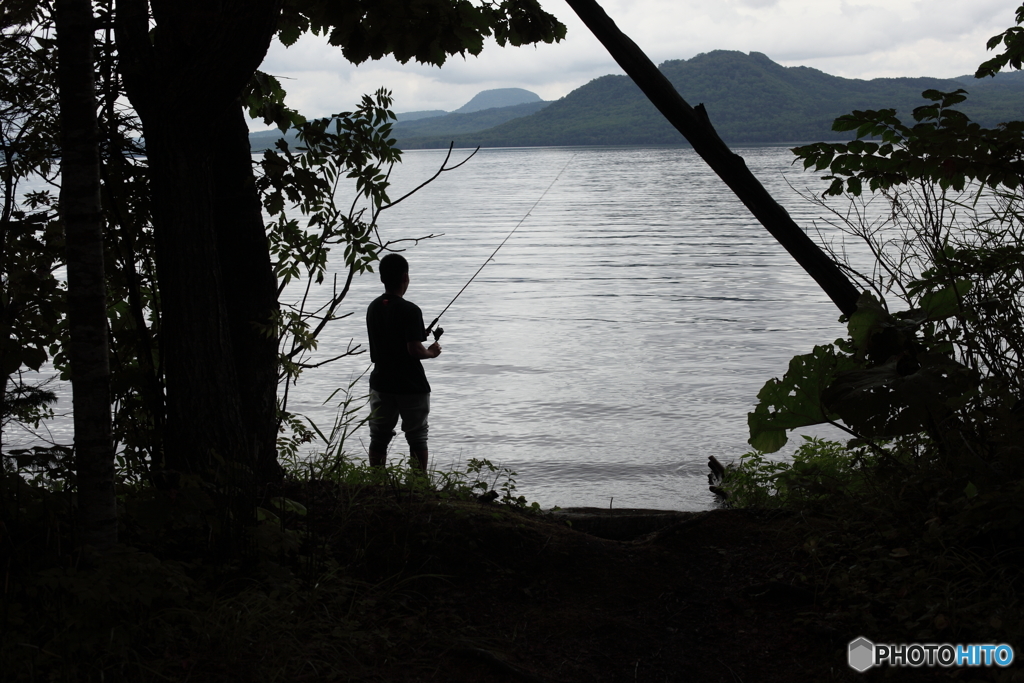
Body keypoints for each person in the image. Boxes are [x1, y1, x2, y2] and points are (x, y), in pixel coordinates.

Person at [365, 253, 442, 471]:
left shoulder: (373, 307)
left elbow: (389, 336)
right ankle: (418, 484)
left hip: (381, 382)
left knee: (379, 435)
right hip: (410, 384)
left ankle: (376, 482)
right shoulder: (411, 310)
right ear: (405, 277)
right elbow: (414, 349)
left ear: (382, 278)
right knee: (417, 435)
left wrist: (417, 335)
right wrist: (431, 352)